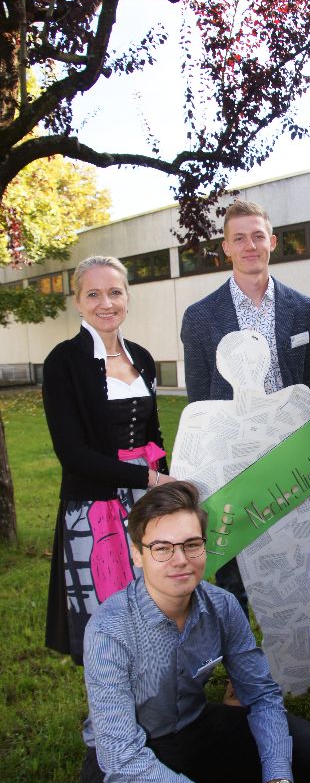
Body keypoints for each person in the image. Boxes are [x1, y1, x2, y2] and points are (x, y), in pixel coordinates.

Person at [81, 481, 310, 783]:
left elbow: (262, 696)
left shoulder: (221, 606)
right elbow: (120, 760)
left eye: (192, 545)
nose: (180, 561)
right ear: (137, 552)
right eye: (162, 548)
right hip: (130, 750)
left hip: (197, 728)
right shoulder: (109, 629)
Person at [180, 199, 310, 614]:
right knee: (233, 577)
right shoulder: (201, 316)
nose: (250, 245)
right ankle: (240, 671)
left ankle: (290, 670)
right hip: (230, 461)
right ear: (226, 248)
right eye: (239, 238)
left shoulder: (301, 309)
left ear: (272, 241)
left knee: (290, 570)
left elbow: (308, 389)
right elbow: (199, 396)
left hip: (287, 456)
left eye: (257, 236)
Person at [43, 255, 174, 663]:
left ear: (127, 297)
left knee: (158, 607)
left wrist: (167, 489)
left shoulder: (142, 357)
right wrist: (151, 481)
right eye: (94, 294)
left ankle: (161, 706)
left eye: (115, 292)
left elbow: (153, 437)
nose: (106, 303)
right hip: (95, 506)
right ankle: (112, 716)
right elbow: (73, 455)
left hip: (148, 501)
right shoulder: (63, 362)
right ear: (78, 302)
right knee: (110, 621)